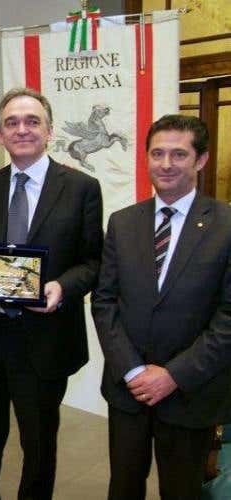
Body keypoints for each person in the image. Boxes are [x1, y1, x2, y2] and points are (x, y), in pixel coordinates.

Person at [0, 87, 103, 499]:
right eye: (12, 123)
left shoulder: (81, 188)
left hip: (44, 341)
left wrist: (62, 287)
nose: (22, 129)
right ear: (0, 135)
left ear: (49, 131)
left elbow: (94, 261)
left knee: (38, 451)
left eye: (32, 121)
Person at [92, 115, 231, 500]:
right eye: (157, 154)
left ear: (201, 160)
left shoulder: (225, 225)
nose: (166, 164)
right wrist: (133, 369)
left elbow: (229, 317)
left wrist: (173, 374)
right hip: (129, 391)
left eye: (178, 154)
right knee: (123, 488)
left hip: (190, 392)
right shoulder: (122, 223)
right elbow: (104, 301)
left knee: (182, 491)